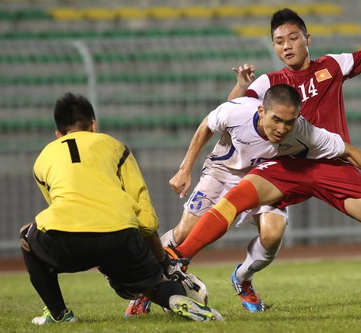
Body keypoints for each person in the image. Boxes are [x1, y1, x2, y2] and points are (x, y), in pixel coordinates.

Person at [170, 9, 361, 308]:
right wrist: (240, 83)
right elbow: (232, 110)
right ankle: (182, 261)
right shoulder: (269, 83)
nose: (286, 46)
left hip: (334, 164)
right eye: (279, 41)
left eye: (293, 38)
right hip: (284, 165)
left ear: (307, 38)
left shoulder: (330, 65)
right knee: (243, 207)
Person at [126, 83, 349, 314]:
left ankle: (242, 279)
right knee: (185, 231)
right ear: (262, 111)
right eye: (276, 119)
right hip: (221, 173)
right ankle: (148, 288)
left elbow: (343, 150)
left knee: (272, 235)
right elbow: (207, 125)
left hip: (263, 179)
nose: (282, 128)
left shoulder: (302, 131)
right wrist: (185, 168)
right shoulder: (238, 111)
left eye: (288, 121)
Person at [20, 92, 223, 325]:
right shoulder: (115, 146)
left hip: (66, 238)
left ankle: (60, 314)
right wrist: (163, 264)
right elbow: (145, 218)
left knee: (27, 237)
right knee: (151, 285)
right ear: (93, 125)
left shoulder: (43, 157)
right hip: (119, 233)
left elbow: (58, 209)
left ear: (58, 134)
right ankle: (175, 299)